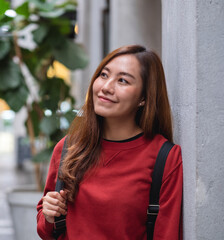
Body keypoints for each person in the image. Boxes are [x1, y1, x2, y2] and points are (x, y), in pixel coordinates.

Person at [36, 45, 183, 239]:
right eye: (104, 75)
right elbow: (47, 230)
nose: (106, 87)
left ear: (144, 98)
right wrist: (49, 215)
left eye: (122, 80)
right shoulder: (68, 147)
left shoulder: (165, 157)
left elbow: (166, 235)